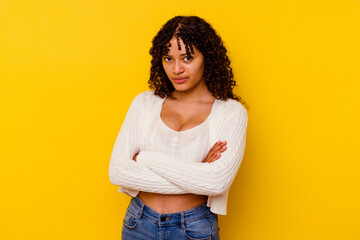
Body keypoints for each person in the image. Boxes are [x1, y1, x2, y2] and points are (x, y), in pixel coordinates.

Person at [109, 15, 248, 240]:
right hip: (138, 224)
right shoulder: (145, 103)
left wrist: (145, 159)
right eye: (168, 58)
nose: (176, 69)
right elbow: (118, 171)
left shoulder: (230, 112)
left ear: (207, 58)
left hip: (194, 229)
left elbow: (216, 182)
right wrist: (197, 173)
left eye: (187, 58)